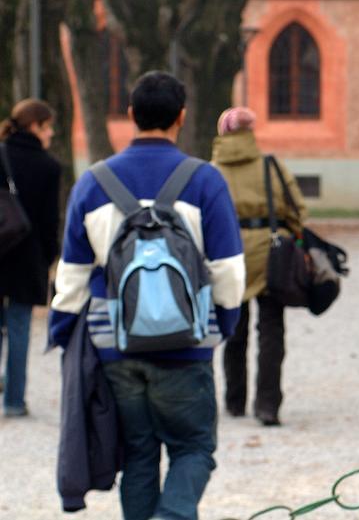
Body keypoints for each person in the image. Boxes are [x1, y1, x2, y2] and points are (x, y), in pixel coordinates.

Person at [50, 71, 246, 520]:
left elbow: (72, 276)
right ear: (181, 116)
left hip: (115, 343)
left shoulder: (93, 182)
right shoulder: (204, 181)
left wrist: (64, 334)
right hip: (186, 344)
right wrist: (224, 324)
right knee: (194, 447)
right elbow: (229, 271)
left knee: (138, 454)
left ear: (132, 115)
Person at [212, 107, 306, 426]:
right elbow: (296, 209)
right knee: (271, 331)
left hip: (229, 253)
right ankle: (267, 405)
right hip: (270, 253)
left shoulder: (211, 171)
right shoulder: (270, 165)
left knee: (234, 330)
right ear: (250, 133)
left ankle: (234, 400)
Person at [0, 99, 61, 417]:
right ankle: (13, 400)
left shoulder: (1, 153)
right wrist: (48, 256)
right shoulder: (48, 166)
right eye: (48, 125)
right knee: (20, 327)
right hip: (28, 255)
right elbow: (50, 221)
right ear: (35, 126)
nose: (50, 133)